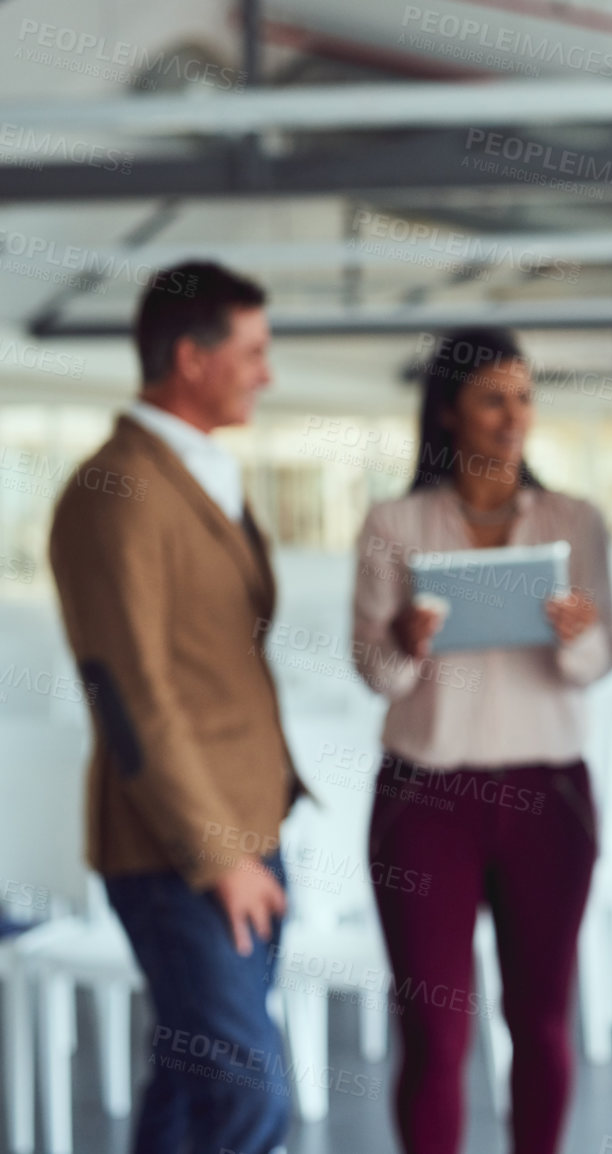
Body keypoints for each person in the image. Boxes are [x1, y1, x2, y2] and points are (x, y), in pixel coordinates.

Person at [48, 260, 308, 1154]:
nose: (267, 373)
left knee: (194, 1085)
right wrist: (219, 854)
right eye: (254, 352)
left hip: (247, 824)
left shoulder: (199, 470)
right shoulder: (117, 490)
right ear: (191, 359)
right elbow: (130, 693)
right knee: (250, 1099)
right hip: (181, 850)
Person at [350, 326, 612, 1154]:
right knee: (434, 1032)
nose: (514, 417)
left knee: (539, 1020)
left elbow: (600, 660)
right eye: (493, 398)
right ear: (449, 412)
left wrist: (575, 632)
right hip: (425, 799)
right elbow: (376, 673)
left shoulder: (575, 520)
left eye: (525, 397)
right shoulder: (395, 523)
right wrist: (401, 638)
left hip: (549, 798)